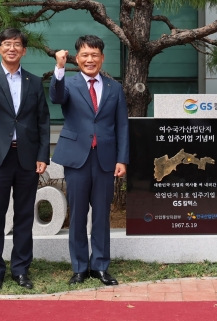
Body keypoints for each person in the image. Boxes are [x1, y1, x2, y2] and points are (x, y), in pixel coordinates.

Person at [0, 28, 50, 290]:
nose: (11, 48)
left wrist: (43, 155)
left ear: (24, 50)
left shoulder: (34, 81)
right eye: (6, 44)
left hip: (27, 156)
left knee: (24, 215)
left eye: (16, 44)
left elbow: (43, 121)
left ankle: (20, 269)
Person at [50, 35, 128, 286]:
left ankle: (100, 266)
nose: (90, 59)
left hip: (105, 158)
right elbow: (56, 97)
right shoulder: (68, 83)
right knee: (78, 215)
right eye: (84, 55)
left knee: (102, 215)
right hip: (77, 158)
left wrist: (122, 159)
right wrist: (59, 68)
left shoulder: (114, 88)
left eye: (95, 54)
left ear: (102, 58)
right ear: (77, 58)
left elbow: (122, 126)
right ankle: (79, 267)